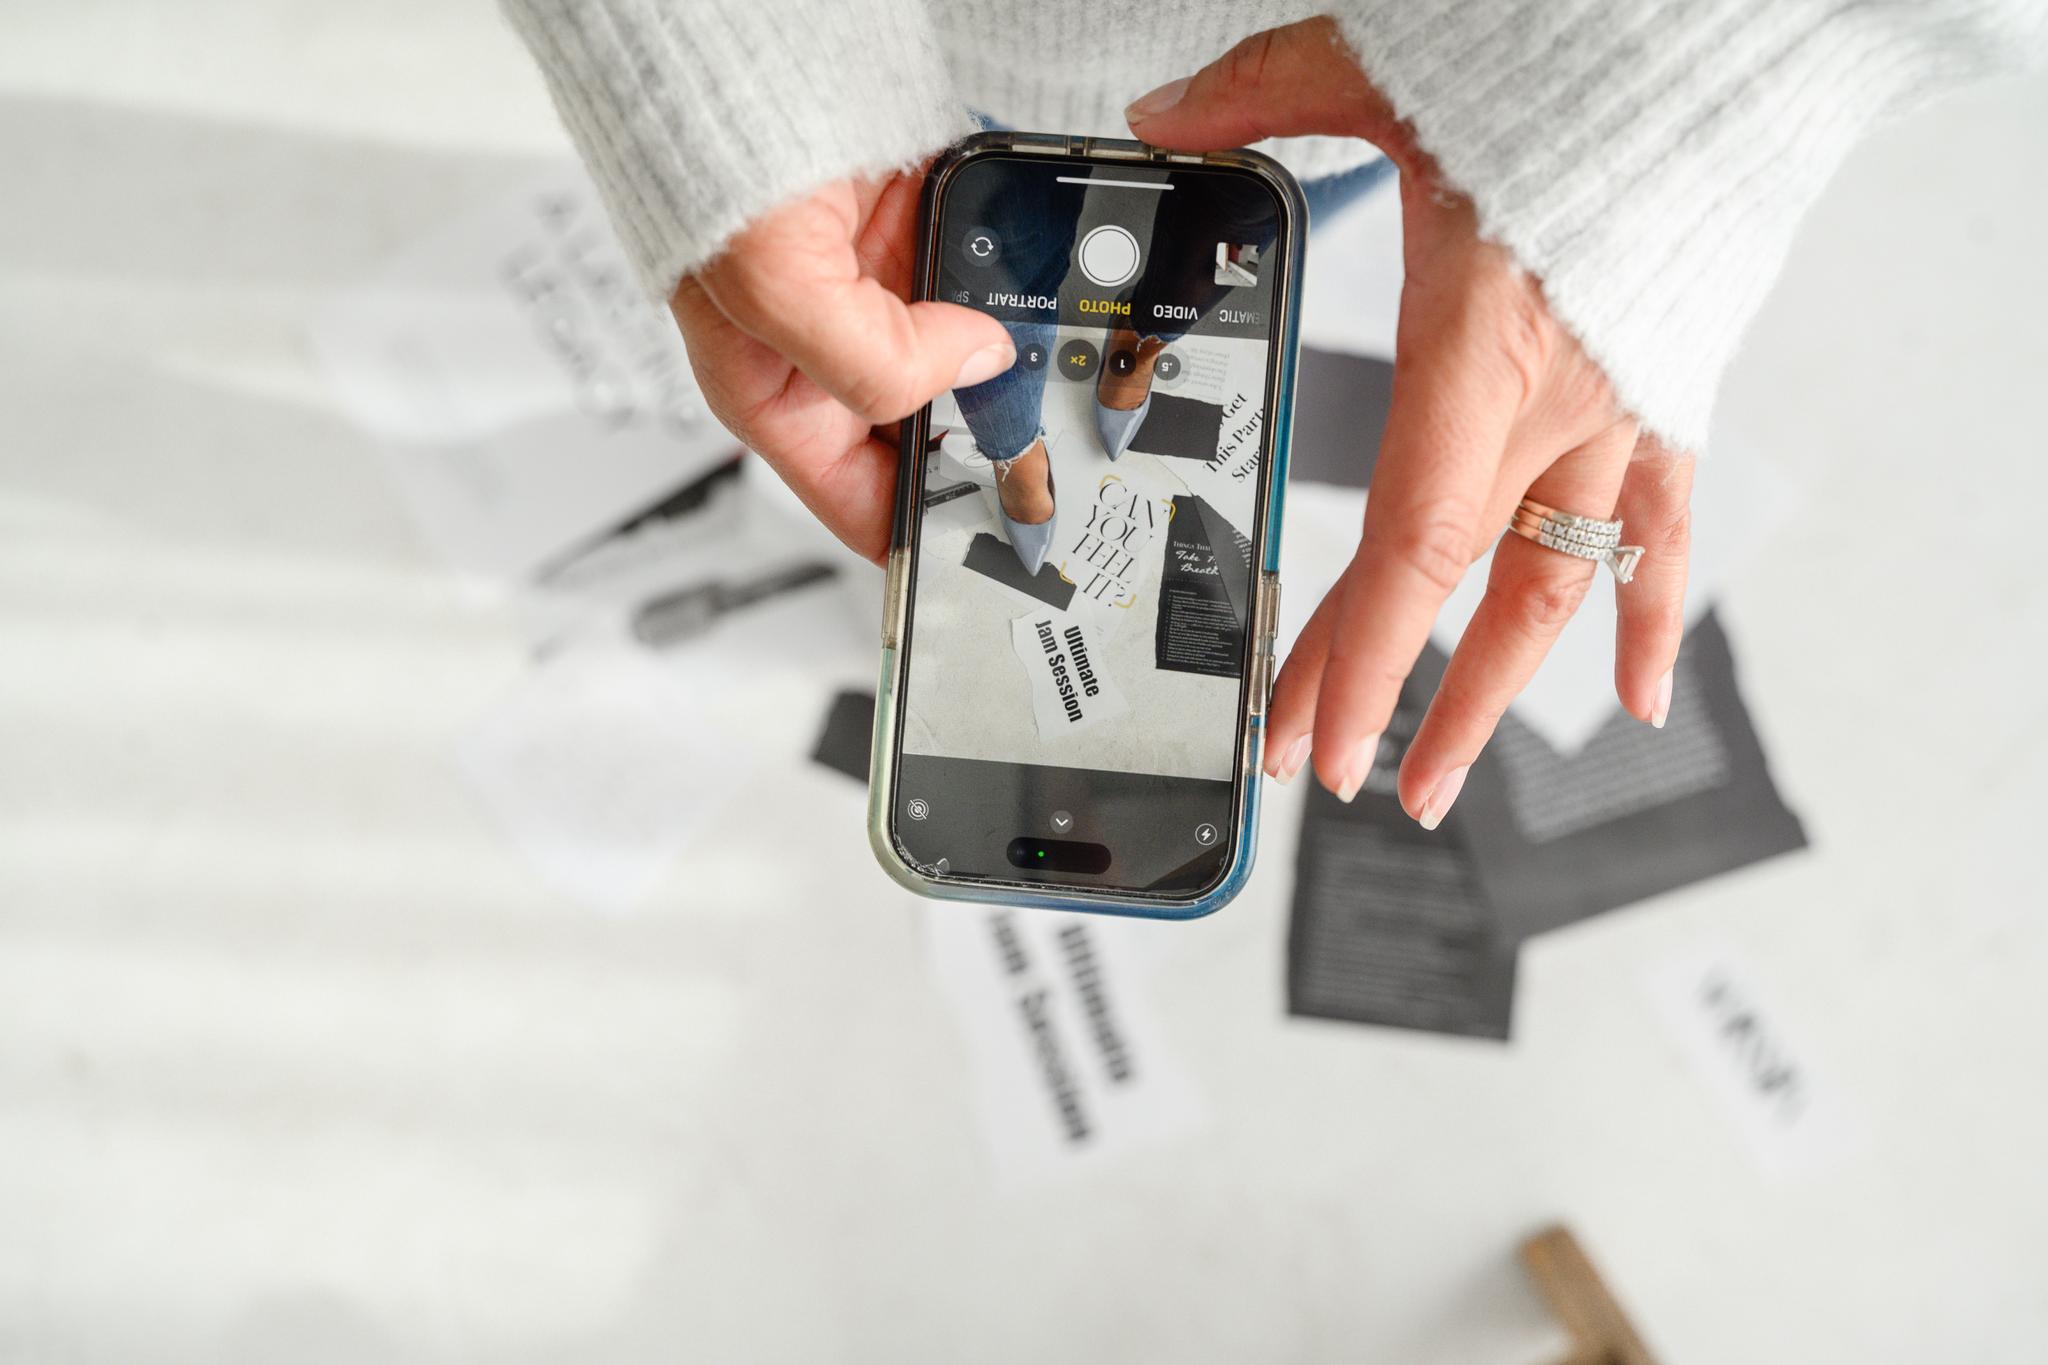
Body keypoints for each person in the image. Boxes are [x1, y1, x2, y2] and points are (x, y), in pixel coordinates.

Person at [502, 2, 2044, 828]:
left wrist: (1678, 77)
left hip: (1388, 62)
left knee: (1146, 313)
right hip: (899, 57)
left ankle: (1124, 374)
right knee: (969, 360)